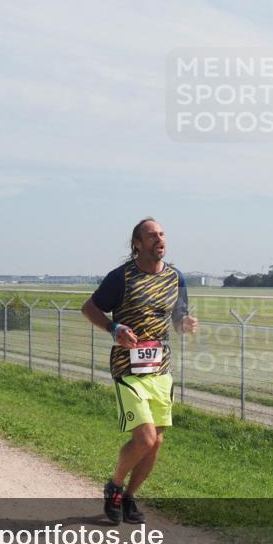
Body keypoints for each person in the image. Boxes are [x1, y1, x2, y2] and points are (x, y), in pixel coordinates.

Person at [82, 218, 198, 525]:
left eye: (161, 234)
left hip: (160, 369)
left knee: (156, 442)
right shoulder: (120, 278)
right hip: (128, 368)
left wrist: (185, 324)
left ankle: (129, 497)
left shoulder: (176, 277)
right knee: (145, 439)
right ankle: (114, 487)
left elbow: (178, 317)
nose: (159, 239)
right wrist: (113, 327)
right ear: (137, 244)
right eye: (151, 236)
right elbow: (89, 308)